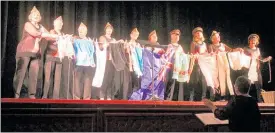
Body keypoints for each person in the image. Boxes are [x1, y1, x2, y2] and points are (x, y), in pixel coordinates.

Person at [13, 6, 58, 99]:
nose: (36, 16)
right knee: (21, 73)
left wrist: (60, 37)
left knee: (34, 74)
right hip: (25, 51)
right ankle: (17, 94)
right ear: (30, 16)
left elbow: (49, 37)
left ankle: (32, 94)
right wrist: (47, 34)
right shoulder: (27, 24)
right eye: (34, 15)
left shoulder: (41, 27)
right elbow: (35, 33)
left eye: (38, 15)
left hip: (36, 54)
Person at [208, 31, 243, 101]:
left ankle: (232, 95)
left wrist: (238, 49)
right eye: (216, 37)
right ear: (213, 39)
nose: (218, 38)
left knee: (228, 78)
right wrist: (215, 52)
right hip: (217, 64)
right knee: (221, 79)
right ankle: (222, 95)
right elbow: (210, 54)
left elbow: (231, 50)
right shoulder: (211, 46)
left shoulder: (222, 45)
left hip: (225, 62)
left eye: (218, 36)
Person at [98, 22, 124, 100]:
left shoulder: (113, 39)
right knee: (105, 77)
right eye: (108, 29)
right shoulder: (102, 38)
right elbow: (101, 47)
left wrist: (120, 43)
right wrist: (108, 44)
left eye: (110, 30)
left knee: (111, 79)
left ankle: (109, 95)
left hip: (112, 61)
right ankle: (102, 95)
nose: (109, 31)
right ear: (105, 30)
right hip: (105, 61)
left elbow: (116, 49)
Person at [243, 34, 272, 102]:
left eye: (255, 40)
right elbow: (243, 58)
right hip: (248, 70)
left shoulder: (258, 50)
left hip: (256, 70)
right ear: (249, 41)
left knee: (259, 85)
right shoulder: (246, 49)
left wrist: (267, 59)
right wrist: (250, 55)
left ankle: (260, 101)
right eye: (252, 39)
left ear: (257, 42)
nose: (253, 41)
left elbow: (260, 60)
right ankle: (244, 101)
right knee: (247, 86)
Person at [188, 27, 214, 101]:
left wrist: (209, 54)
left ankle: (204, 97)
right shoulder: (193, 43)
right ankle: (191, 97)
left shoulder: (204, 44)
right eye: (197, 33)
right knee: (195, 81)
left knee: (205, 80)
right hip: (197, 65)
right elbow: (192, 54)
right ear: (195, 35)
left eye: (200, 32)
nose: (199, 33)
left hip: (204, 65)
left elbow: (207, 53)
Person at [42, 16, 64, 99]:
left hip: (59, 57)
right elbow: (50, 39)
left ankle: (56, 97)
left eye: (60, 24)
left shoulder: (62, 34)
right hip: (50, 55)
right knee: (48, 76)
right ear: (54, 24)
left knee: (57, 78)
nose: (59, 25)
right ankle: (44, 95)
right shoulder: (52, 31)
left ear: (62, 25)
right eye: (57, 24)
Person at [73, 22, 96, 100]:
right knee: (76, 79)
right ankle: (76, 97)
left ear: (86, 32)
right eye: (79, 31)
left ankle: (86, 97)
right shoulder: (75, 40)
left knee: (87, 80)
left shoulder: (89, 41)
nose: (80, 32)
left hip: (87, 63)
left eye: (82, 31)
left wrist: (92, 62)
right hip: (78, 63)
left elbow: (92, 52)